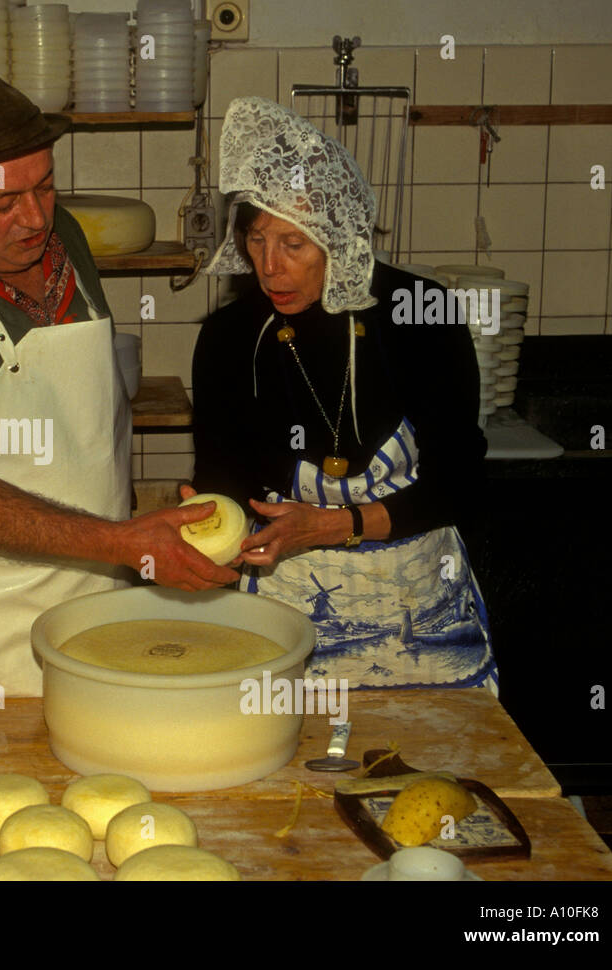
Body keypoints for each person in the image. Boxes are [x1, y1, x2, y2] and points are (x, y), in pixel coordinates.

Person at [0, 60, 230, 697]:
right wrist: (123, 540)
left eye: (45, 186)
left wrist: (134, 535)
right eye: (4, 201)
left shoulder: (66, 240)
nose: (34, 218)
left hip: (96, 595)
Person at [190, 96, 496, 691]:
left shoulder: (420, 317)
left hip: (422, 620)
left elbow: (460, 483)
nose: (269, 268)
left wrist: (335, 525)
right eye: (256, 240)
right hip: (286, 619)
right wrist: (208, 520)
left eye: (294, 245)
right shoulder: (230, 339)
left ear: (340, 235)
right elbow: (223, 477)